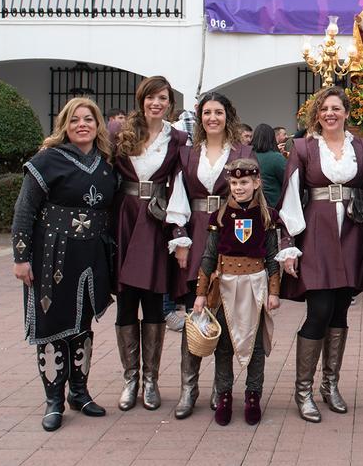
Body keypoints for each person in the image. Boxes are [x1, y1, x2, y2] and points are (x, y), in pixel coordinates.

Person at [277, 85, 363, 423]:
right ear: (317, 114)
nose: (330, 114)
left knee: (340, 311)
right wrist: (289, 247)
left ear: (346, 112)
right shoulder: (303, 147)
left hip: (353, 234)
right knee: (319, 309)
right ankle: (303, 390)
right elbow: (291, 196)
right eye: (324, 109)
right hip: (317, 235)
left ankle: (330, 384)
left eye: (336, 108)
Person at [11, 97, 116, 431]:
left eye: (88, 119)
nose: (82, 124)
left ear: (98, 124)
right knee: (52, 325)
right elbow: (24, 211)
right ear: (65, 126)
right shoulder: (47, 160)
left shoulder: (106, 164)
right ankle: (54, 399)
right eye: (74, 120)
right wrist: (21, 257)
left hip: (91, 256)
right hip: (51, 255)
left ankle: (79, 393)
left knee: (82, 325)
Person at [169, 92, 255, 419]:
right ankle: (188, 389)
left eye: (218, 112)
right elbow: (178, 195)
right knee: (196, 313)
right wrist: (179, 239)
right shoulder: (188, 154)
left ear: (227, 115)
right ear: (200, 117)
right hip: (195, 234)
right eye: (207, 113)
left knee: (224, 315)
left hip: (231, 234)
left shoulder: (243, 152)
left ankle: (222, 390)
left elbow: (252, 196)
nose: (212, 118)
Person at [112, 75, 190, 412]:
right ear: (141, 99)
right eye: (151, 97)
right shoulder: (121, 133)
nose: (156, 103)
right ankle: (130, 378)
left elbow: (185, 183)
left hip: (157, 221)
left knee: (155, 301)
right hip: (125, 219)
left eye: (163, 98)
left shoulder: (179, 138)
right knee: (126, 300)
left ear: (170, 103)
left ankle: (150, 380)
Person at [192, 158, 281, 426]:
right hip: (225, 286)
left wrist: (274, 291)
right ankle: (225, 395)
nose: (239, 187)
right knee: (224, 346)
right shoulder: (219, 216)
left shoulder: (267, 216)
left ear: (256, 183)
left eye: (244, 182)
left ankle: (253, 396)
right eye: (233, 182)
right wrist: (201, 292)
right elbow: (208, 256)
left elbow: (273, 257)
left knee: (254, 346)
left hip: (255, 285)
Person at [251, 123, 287, 208]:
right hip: (273, 205)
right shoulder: (276, 158)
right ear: (272, 138)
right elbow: (287, 181)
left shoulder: (247, 156)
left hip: (251, 205)